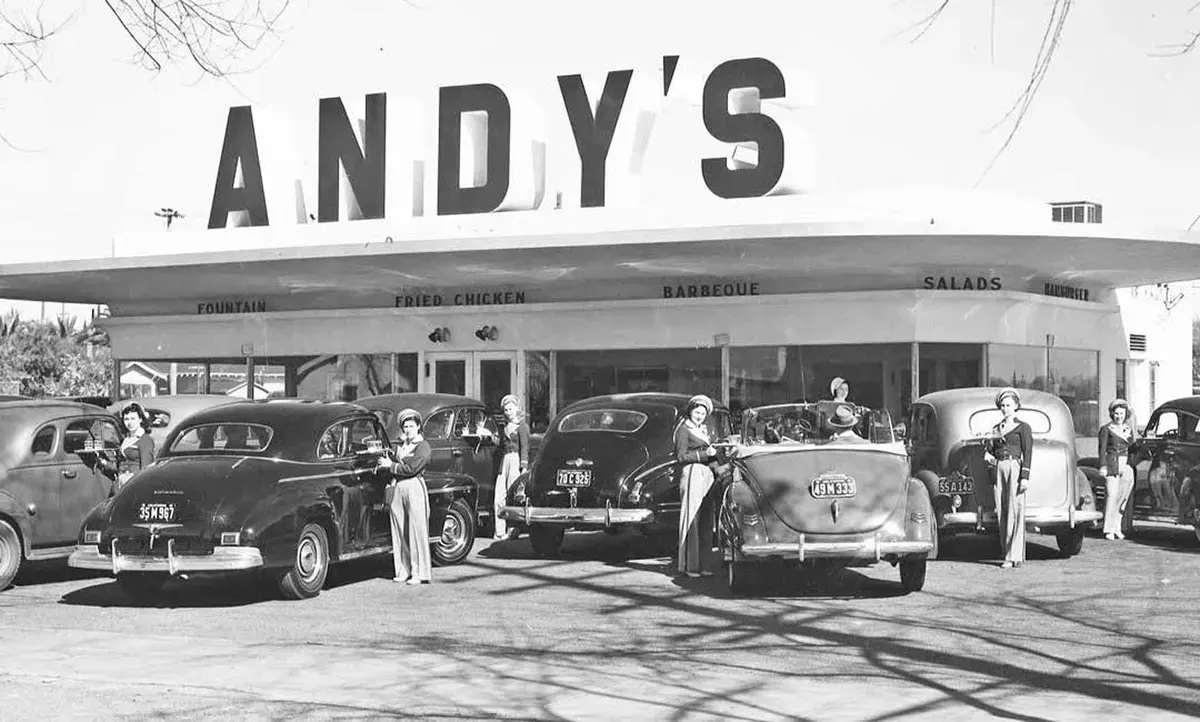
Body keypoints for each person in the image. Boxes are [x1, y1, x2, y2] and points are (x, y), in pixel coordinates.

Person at [377, 408, 433, 585]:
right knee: (399, 529)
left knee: (416, 529)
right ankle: (402, 569)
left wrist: (391, 465)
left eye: (411, 425)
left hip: (414, 485)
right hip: (398, 486)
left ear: (418, 427)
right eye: (405, 426)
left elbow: (413, 468)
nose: (408, 429)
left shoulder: (423, 446)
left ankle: (418, 572)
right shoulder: (401, 446)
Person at [986, 388, 1034, 569]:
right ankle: (1006, 553)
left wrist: (1025, 477)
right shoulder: (996, 429)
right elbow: (990, 450)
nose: (1006, 409)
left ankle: (1015, 555)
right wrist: (988, 454)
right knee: (1002, 511)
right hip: (1000, 468)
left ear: (1016, 406)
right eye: (1003, 406)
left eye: (1009, 405)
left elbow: (1028, 452)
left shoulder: (1023, 428)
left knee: (1016, 510)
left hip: (1015, 467)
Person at [674, 394, 719, 578]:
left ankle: (705, 565)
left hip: (706, 475)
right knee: (691, 519)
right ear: (690, 411)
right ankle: (690, 566)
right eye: (697, 411)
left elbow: (711, 457)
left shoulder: (705, 430)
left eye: (703, 413)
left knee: (707, 519)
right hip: (692, 474)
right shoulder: (684, 430)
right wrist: (704, 454)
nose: (699, 415)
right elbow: (681, 457)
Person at [1099, 398, 1137, 541]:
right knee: (1111, 496)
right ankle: (1108, 529)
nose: (1119, 416)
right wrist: (1103, 466)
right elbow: (1102, 450)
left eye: (1121, 414)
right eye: (1116, 414)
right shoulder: (1106, 429)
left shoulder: (1128, 429)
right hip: (1112, 465)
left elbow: (1132, 448)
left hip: (1126, 466)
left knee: (1123, 498)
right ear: (1112, 414)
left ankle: (1117, 527)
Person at [494, 394, 531, 541]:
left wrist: (524, 466)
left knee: (513, 495)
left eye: (510, 409)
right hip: (505, 460)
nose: (508, 412)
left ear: (516, 408)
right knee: (499, 496)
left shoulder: (522, 426)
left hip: (515, 459)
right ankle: (499, 530)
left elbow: (525, 447)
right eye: (506, 409)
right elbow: (501, 444)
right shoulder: (504, 427)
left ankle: (514, 528)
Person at [97, 402, 155, 494]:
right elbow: (120, 466)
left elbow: (146, 469)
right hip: (120, 485)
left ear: (140, 419)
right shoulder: (125, 439)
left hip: (134, 486)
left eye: (133, 418)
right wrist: (103, 462)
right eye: (126, 419)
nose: (130, 422)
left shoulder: (145, 440)